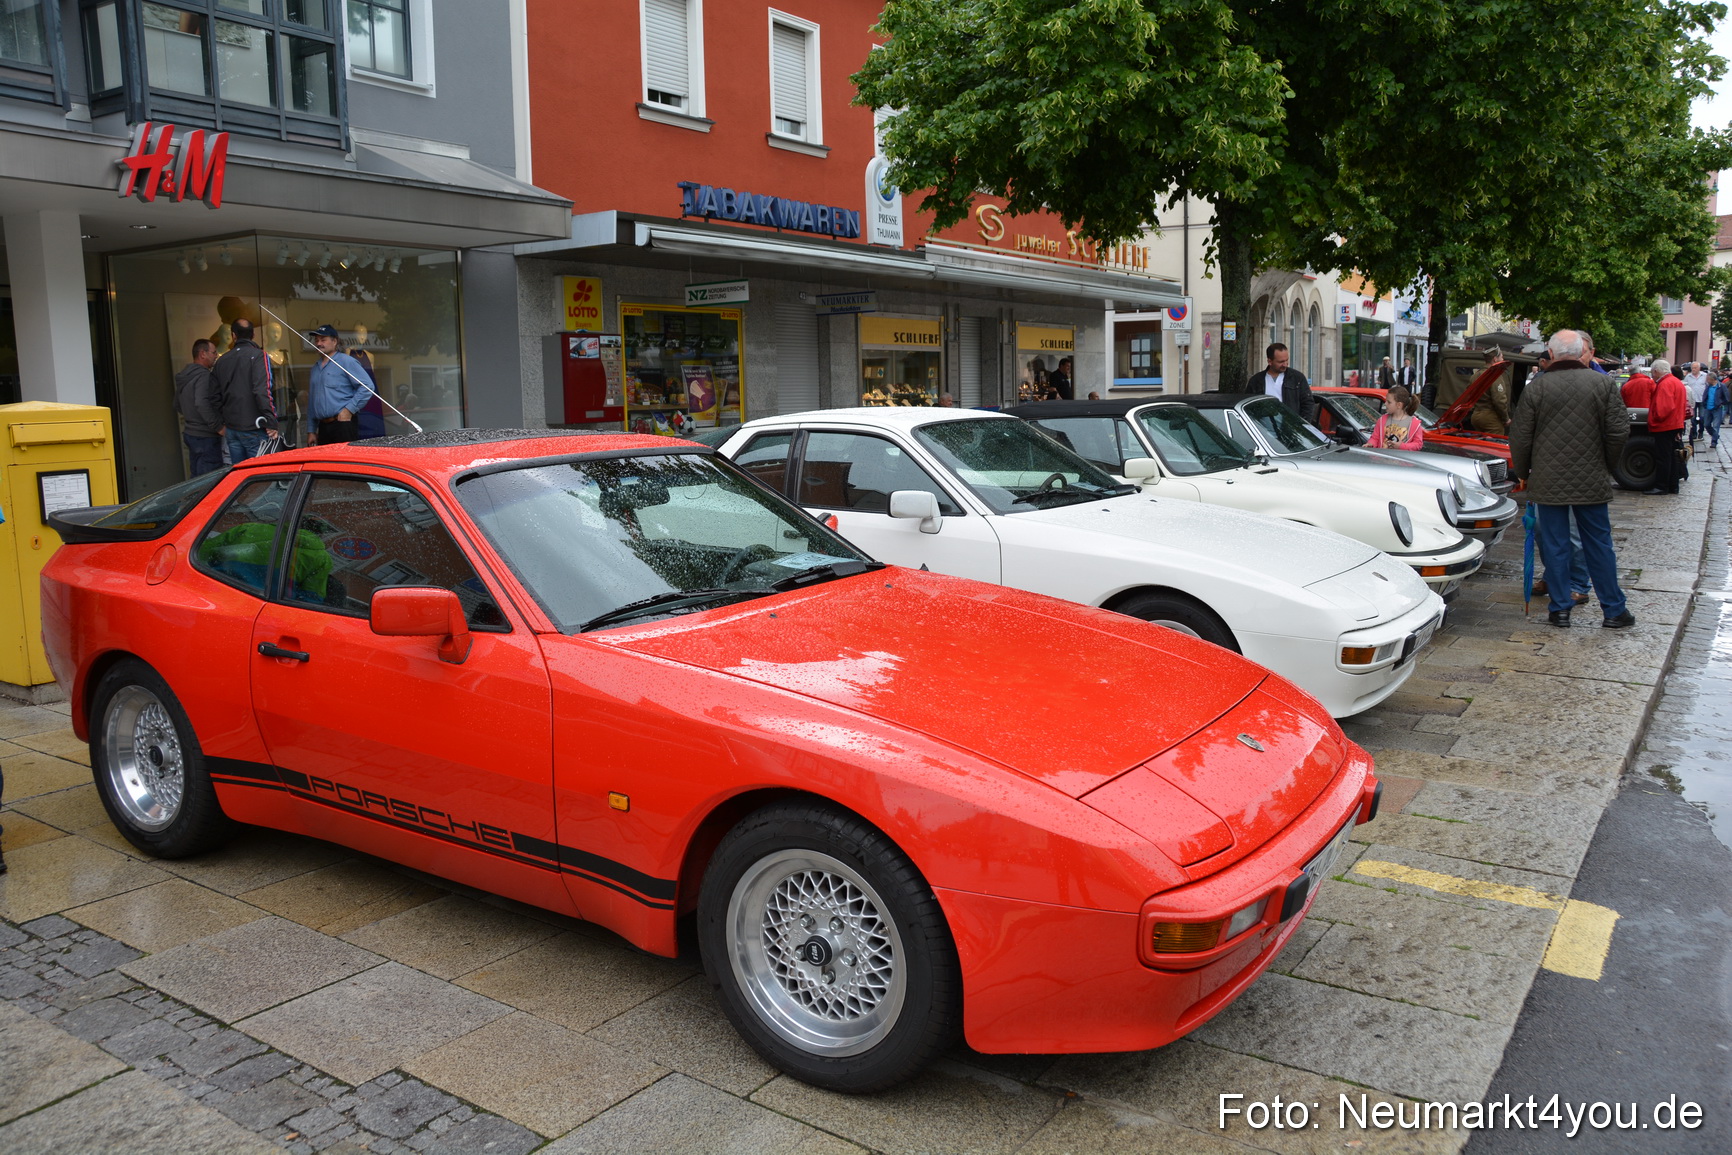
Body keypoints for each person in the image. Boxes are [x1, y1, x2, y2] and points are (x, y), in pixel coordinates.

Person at [1507, 329, 1633, 629]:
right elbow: (1618, 431)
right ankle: (1613, 610)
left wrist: (1524, 473)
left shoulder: (1537, 387)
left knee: (1555, 544)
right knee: (1599, 544)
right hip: (1592, 479)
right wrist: (1606, 465)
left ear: (1551, 354)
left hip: (1548, 480)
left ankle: (1560, 609)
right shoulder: (1603, 383)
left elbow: (1520, 437)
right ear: (1581, 352)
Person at [212, 319, 277, 461]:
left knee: (241, 472)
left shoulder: (221, 361)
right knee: (261, 472)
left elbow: (214, 397)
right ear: (253, 335)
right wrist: (271, 421)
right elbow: (262, 391)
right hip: (254, 427)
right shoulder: (259, 355)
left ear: (233, 335)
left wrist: (223, 422)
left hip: (232, 428)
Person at [307, 324, 372, 444]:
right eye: (316, 340)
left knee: (344, 457)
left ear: (334, 341)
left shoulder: (346, 361)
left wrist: (349, 409)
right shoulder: (315, 368)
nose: (319, 343)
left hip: (343, 424)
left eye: (323, 340)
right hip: (323, 427)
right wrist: (311, 430)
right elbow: (312, 401)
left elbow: (367, 387)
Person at [174, 338, 224, 476]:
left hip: (191, 433)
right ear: (203, 354)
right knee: (209, 481)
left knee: (197, 480)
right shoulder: (204, 376)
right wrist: (218, 427)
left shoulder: (185, 376)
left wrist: (192, 418)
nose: (216, 356)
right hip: (206, 437)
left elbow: (177, 404)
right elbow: (201, 402)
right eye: (213, 352)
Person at [1644, 359, 1687, 495]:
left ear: (1656, 371)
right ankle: (1673, 485)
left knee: (1663, 457)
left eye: (1653, 372)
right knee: (1671, 457)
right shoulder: (1676, 382)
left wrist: (1655, 418)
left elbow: (1664, 408)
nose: (1652, 375)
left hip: (1665, 425)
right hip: (1674, 424)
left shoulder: (1665, 384)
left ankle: (1662, 486)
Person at [1241, 342, 1315, 422]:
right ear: (1270, 361)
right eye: (1281, 362)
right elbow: (1248, 407)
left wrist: (1301, 424)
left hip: (1290, 426)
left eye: (1286, 360)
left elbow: (1308, 404)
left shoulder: (1297, 378)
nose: (1285, 364)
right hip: (1263, 427)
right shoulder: (1256, 381)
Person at [1470, 348, 1511, 436]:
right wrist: (1506, 418)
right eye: (1501, 357)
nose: (1503, 359)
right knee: (1495, 442)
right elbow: (1499, 400)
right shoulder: (1495, 375)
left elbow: (1469, 395)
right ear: (1495, 359)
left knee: (1480, 442)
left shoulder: (1475, 375)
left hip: (1476, 415)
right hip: (1491, 417)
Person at [1682, 361, 1709, 440]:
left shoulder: (1705, 376)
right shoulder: (1688, 377)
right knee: (1692, 418)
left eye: (1695, 368)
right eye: (1692, 368)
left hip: (1702, 399)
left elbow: (1708, 386)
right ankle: (1694, 433)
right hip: (1692, 400)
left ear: (1699, 368)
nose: (1693, 369)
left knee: (1702, 417)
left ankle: (1701, 431)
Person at [1704, 372, 1726, 450]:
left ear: (1712, 379)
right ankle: (1715, 435)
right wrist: (1704, 403)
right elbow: (1705, 395)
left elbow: (1726, 396)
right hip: (1708, 408)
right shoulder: (1708, 386)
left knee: (1716, 426)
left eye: (1708, 379)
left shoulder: (1721, 386)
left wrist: (1721, 403)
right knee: (1706, 424)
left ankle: (1714, 442)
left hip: (1717, 408)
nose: (1707, 380)